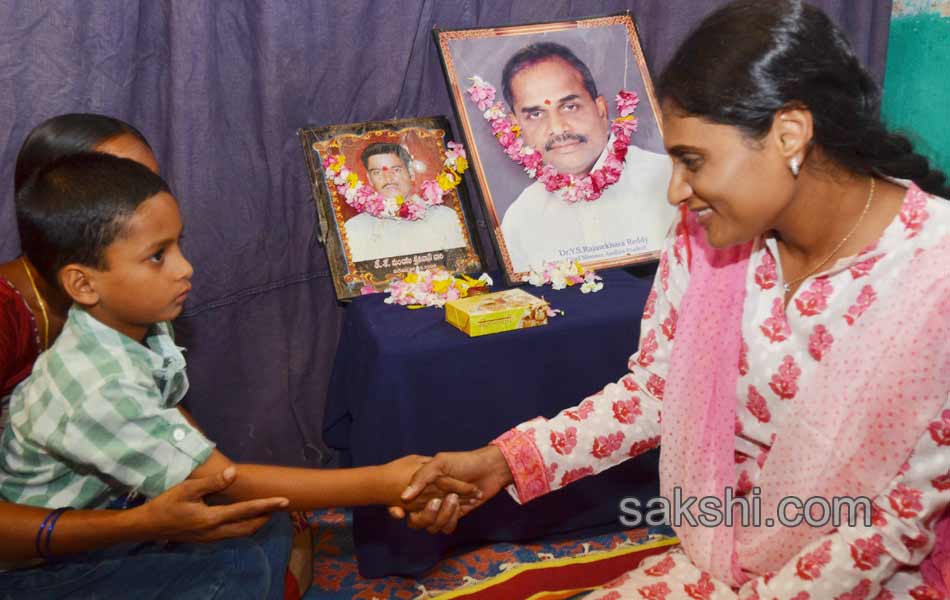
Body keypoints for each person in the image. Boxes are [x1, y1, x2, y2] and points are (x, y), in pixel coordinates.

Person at [398, 1, 950, 597]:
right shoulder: (710, 238)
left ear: (788, 135)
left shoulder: (933, 277)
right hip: (719, 555)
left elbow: (888, 528)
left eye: (692, 160)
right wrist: (504, 461)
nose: (675, 189)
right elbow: (660, 388)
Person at [0, 153, 476, 591]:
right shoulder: (97, 384)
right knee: (235, 566)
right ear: (83, 283)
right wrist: (382, 482)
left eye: (178, 245)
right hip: (44, 567)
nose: (185, 268)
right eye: (157, 256)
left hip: (119, 515)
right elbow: (225, 480)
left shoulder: (136, 325)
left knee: (262, 525)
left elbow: (196, 458)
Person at [0, 114, 296, 598]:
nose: (137, 196)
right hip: (30, 546)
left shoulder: (136, 290)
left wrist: (222, 483)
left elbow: (160, 412)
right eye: (109, 184)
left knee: (264, 523)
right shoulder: (9, 311)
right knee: (230, 573)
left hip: (110, 506)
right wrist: (141, 524)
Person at [498, 42, 675, 273]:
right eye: (536, 114)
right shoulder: (520, 218)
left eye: (570, 106)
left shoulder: (671, 181)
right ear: (516, 126)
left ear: (601, 109)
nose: (558, 128)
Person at [343, 142, 467, 262]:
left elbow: (463, 268)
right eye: (377, 172)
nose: (388, 178)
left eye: (396, 170)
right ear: (370, 179)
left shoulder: (444, 218)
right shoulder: (355, 228)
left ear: (411, 173)